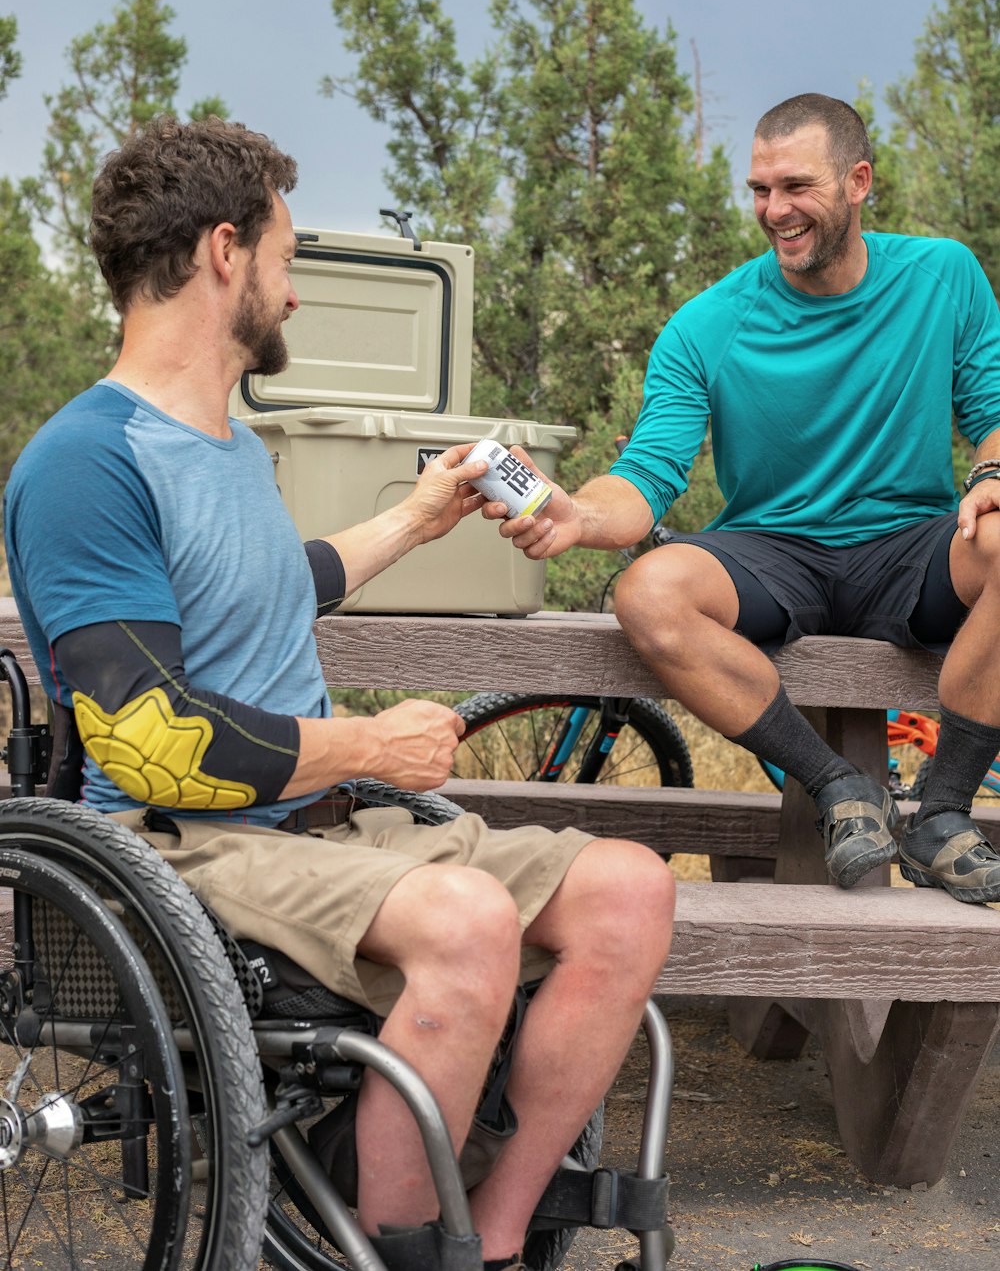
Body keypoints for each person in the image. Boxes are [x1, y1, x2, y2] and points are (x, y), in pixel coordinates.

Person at [3, 114, 675, 1270]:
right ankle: (405, 1245)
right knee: (467, 928)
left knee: (629, 892)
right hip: (184, 844)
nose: (294, 292)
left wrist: (417, 519)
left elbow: (275, 583)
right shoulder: (86, 464)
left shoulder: (221, 444)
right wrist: (364, 742)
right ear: (227, 253)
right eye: (286, 256)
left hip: (315, 832)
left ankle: (498, 1237)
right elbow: (154, 739)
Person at [490, 92, 1000, 906]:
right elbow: (649, 472)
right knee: (648, 591)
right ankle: (839, 787)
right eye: (760, 190)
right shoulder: (708, 323)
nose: (775, 210)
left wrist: (993, 477)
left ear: (859, 180)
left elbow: (995, 417)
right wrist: (579, 514)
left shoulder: (942, 277)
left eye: (796, 186)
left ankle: (940, 813)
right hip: (773, 552)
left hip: (910, 545)